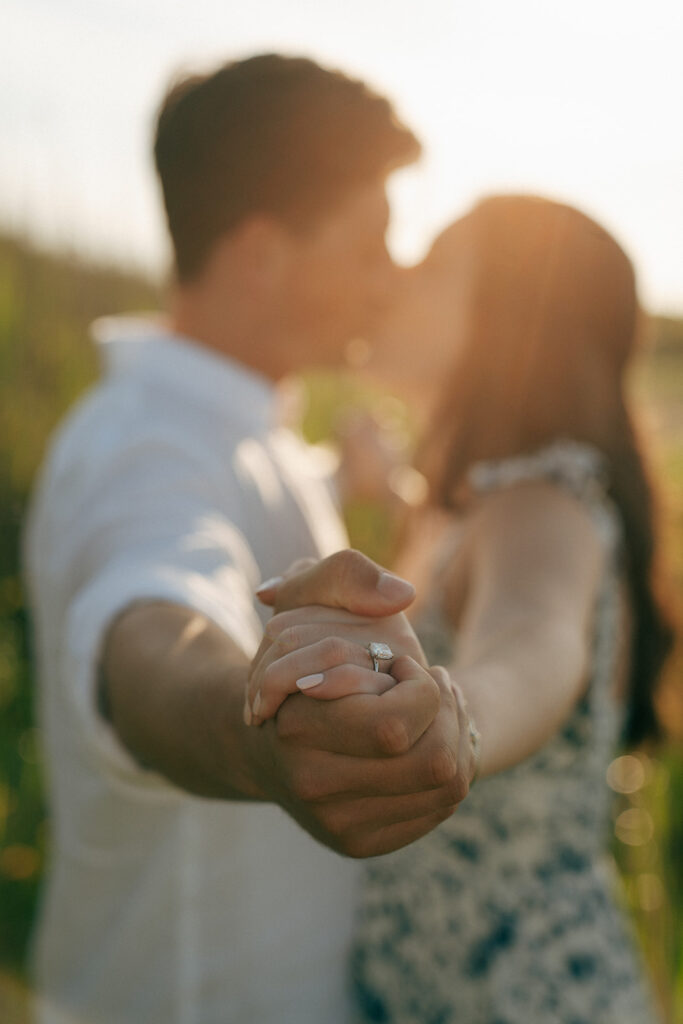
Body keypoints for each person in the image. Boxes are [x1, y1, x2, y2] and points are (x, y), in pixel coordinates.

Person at [24, 54, 476, 1024]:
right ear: (264, 251)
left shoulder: (244, 428)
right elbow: (150, 621)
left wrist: (358, 482)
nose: (389, 277)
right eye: (368, 245)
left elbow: (248, 526)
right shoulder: (137, 447)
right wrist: (254, 728)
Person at [248, 195, 675, 1022]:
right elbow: (463, 576)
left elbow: (535, 641)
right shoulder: (468, 506)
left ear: (513, 322)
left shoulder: (542, 506)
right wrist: (369, 478)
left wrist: (453, 712)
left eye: (436, 263)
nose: (398, 276)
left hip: (523, 997)